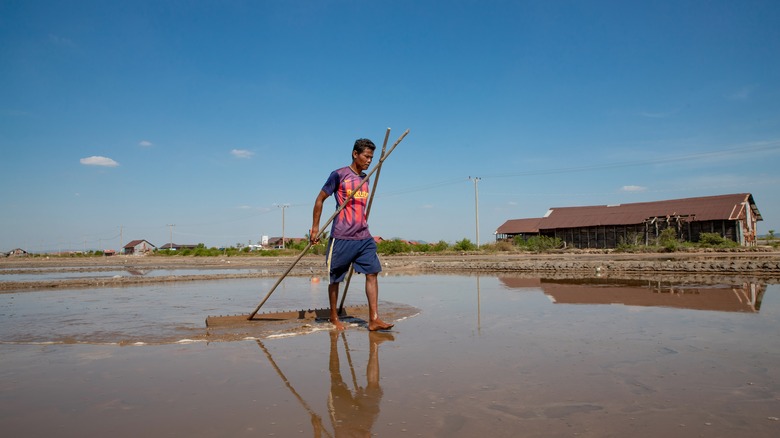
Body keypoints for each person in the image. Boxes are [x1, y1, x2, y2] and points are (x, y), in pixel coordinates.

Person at [310, 138, 394, 331]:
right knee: (335, 278)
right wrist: (315, 228)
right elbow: (319, 199)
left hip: (363, 236)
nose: (369, 161)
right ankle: (333, 317)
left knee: (372, 273)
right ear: (355, 154)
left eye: (372, 157)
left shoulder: (367, 178)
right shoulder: (339, 175)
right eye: (366, 156)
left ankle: (374, 319)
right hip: (341, 236)